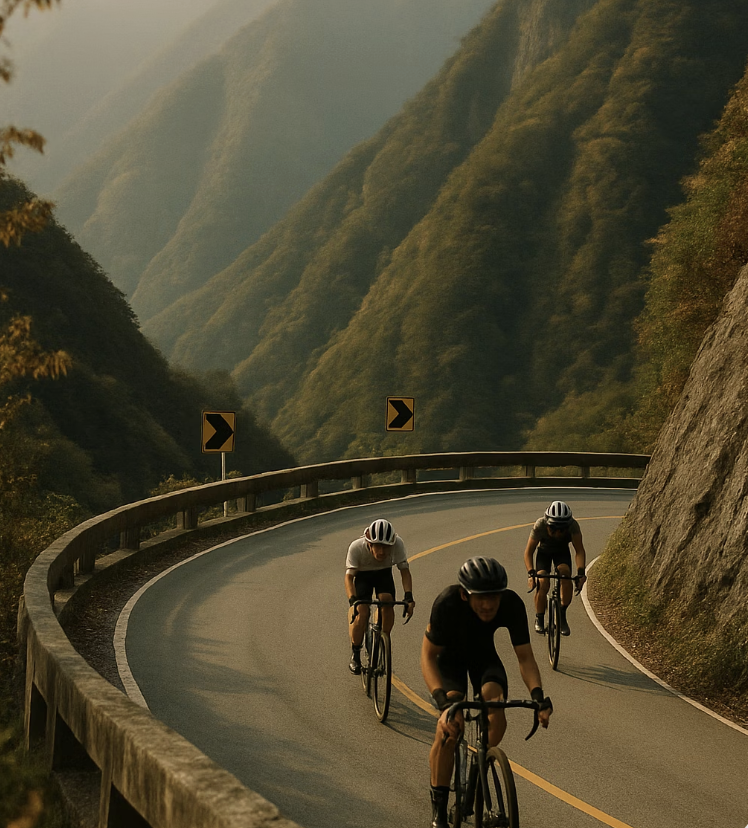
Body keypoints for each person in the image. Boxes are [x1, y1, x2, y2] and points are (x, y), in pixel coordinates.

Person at [420, 556, 552, 828]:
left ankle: (480, 762)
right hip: (450, 663)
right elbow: (428, 655)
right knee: (448, 729)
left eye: (494, 596)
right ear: (464, 595)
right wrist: (442, 701)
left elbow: (525, 657)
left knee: (497, 706)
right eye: (480, 597)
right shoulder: (446, 603)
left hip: (484, 658)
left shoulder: (512, 605)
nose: (489, 604)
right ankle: (440, 808)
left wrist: (538, 696)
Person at [345, 518, 415, 674]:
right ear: (369, 544)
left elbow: (404, 571)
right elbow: (349, 578)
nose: (382, 552)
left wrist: (409, 597)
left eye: (386, 547)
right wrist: (353, 601)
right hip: (363, 575)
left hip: (383, 574)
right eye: (378, 547)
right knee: (362, 611)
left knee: (387, 601)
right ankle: (355, 654)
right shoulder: (356, 547)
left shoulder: (398, 544)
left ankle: (383, 640)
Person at [523, 500, 587, 637]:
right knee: (542, 582)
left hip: (561, 553)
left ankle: (562, 614)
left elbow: (579, 551)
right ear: (547, 524)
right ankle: (539, 617)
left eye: (562, 529)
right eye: (553, 528)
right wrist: (531, 574)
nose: (558, 533)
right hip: (544, 553)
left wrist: (581, 573)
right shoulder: (539, 525)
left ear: (567, 526)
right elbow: (529, 552)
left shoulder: (573, 526)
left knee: (566, 574)